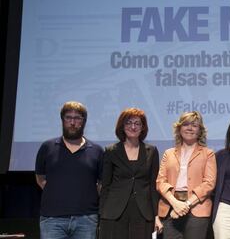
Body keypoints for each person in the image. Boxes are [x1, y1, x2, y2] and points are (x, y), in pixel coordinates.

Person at [35, 101, 103, 239]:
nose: (72, 122)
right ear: (62, 120)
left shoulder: (97, 150)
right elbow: (40, 178)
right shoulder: (47, 147)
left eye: (77, 118)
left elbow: (101, 184)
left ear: (84, 121)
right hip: (51, 219)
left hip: (86, 219)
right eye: (68, 117)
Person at [99, 108, 162, 239]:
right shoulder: (111, 151)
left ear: (143, 127)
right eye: (128, 123)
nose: (133, 126)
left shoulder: (152, 151)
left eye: (137, 123)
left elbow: (153, 186)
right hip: (114, 212)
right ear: (122, 126)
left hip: (143, 212)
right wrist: (102, 214)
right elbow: (106, 185)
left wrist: (156, 215)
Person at [156, 111, 217, 239]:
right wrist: (175, 203)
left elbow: (209, 183)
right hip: (170, 209)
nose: (189, 128)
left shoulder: (208, 154)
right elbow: (160, 181)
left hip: (197, 210)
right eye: (186, 124)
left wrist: (186, 204)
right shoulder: (168, 153)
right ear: (179, 128)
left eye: (194, 125)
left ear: (200, 131)